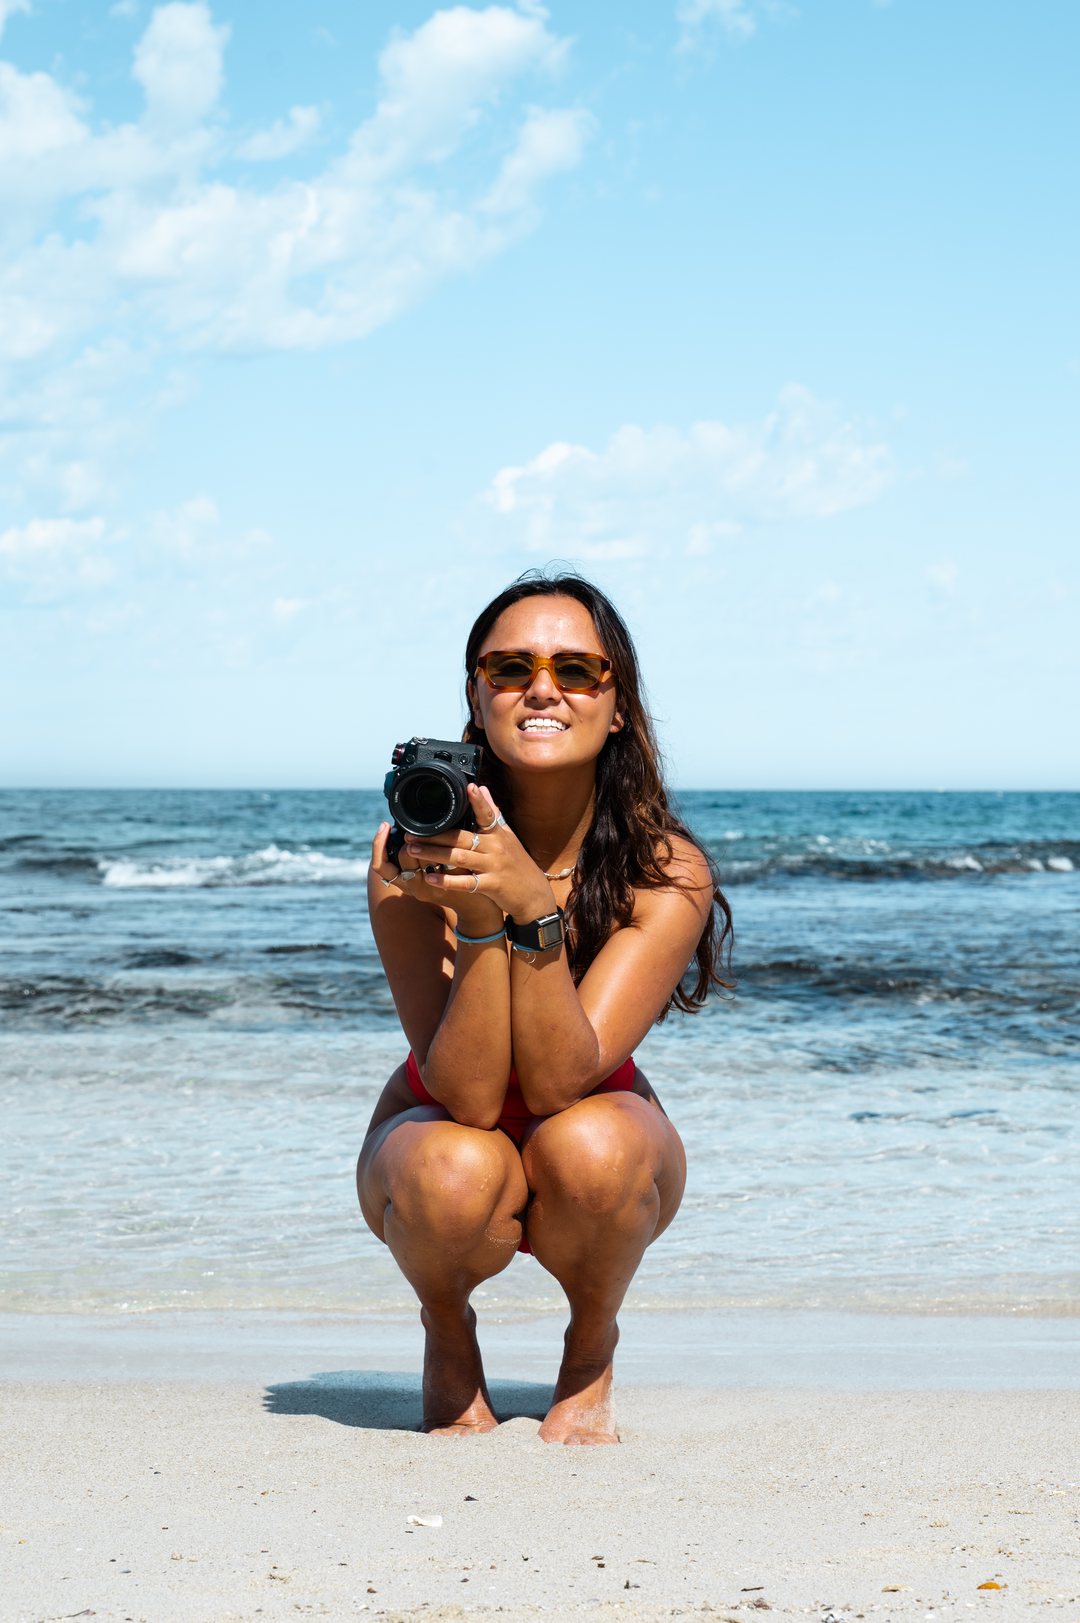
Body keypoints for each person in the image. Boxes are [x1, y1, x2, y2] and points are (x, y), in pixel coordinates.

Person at [358, 571, 732, 1443]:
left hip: (598, 1123)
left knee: (592, 1147)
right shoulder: (409, 857)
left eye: (575, 669)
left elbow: (564, 1081)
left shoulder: (664, 870)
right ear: (476, 695)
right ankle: (446, 1327)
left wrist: (532, 905)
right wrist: (481, 916)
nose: (541, 689)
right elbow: (470, 1097)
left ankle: (591, 1343)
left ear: (618, 703)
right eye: (510, 667)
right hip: (442, 1119)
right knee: (452, 1167)